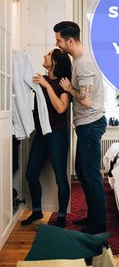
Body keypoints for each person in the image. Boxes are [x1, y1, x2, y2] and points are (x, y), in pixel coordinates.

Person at [53, 21, 107, 234]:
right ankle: (93, 217)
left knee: (90, 174)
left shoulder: (83, 63)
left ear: (70, 41)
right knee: (83, 172)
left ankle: (99, 225)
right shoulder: (79, 61)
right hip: (86, 125)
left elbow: (85, 100)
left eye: (59, 40)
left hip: (91, 124)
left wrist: (69, 89)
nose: (57, 44)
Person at [21, 48, 72, 228]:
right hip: (42, 134)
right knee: (31, 174)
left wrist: (47, 85)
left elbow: (60, 108)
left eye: (48, 55)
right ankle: (36, 211)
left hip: (57, 134)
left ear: (55, 62)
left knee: (60, 178)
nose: (44, 56)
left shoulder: (63, 83)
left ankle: (62, 217)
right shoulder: (40, 80)